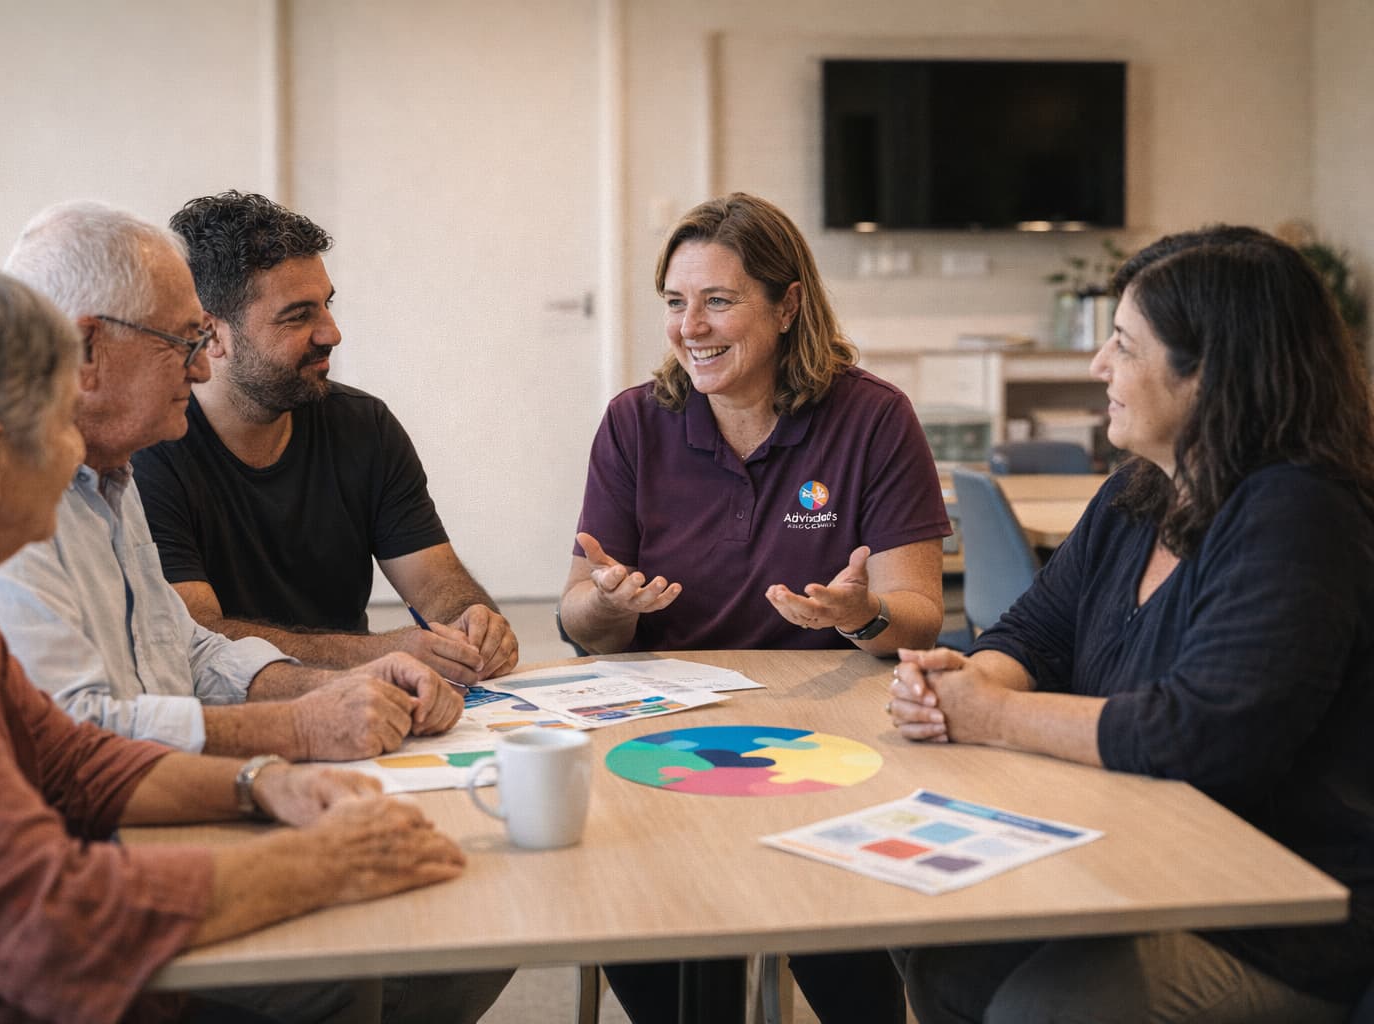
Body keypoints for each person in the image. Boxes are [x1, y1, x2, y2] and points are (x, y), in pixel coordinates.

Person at [0, 267, 469, 1022]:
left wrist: (261, 781)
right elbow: (47, 923)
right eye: (59, 424)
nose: (77, 447)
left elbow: (65, 756)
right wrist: (328, 861)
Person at [886, 226, 1374, 1022]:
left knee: (1036, 1006)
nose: (1097, 368)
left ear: (1210, 373)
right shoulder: (1137, 493)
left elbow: (1205, 737)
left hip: (1276, 914)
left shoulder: (1300, 514)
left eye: (1124, 346)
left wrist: (992, 713)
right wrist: (963, 681)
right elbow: (1031, 637)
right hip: (1137, 860)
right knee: (930, 935)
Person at [562, 193, 950, 1023]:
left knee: (851, 981)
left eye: (719, 300)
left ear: (788, 305)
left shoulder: (873, 417)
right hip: (659, 731)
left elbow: (919, 611)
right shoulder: (636, 421)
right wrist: (610, 608)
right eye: (675, 302)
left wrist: (862, 613)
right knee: (668, 962)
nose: (690, 326)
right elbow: (576, 616)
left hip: (825, 734)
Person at [0, 200, 464, 763]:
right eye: (182, 341)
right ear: (88, 349)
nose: (202, 367)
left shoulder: (111, 473)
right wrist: (297, 729)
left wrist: (345, 681)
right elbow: (71, 735)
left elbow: (186, 651)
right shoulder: (4, 502)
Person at [129, 190, 517, 686]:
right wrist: (384, 651)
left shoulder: (363, 424)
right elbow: (199, 635)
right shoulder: (151, 450)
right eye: (298, 315)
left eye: (327, 306)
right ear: (212, 334)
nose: (331, 332)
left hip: (367, 709)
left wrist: (472, 622)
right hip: (236, 721)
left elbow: (434, 579)